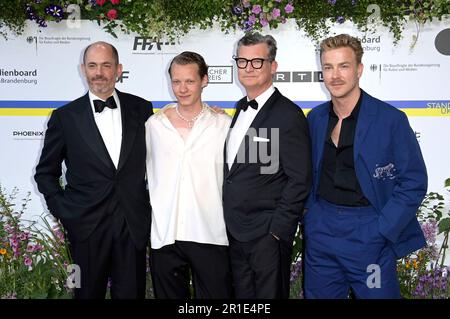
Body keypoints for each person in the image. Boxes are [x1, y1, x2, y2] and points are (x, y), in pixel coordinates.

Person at [304, 34, 428, 299]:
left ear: (359, 69)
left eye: (343, 66)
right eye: (328, 67)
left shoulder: (390, 120)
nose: (335, 75)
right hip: (321, 232)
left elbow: (413, 181)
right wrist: (310, 217)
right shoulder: (314, 119)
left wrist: (382, 229)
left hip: (368, 233)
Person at [34, 41, 153, 299]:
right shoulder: (65, 117)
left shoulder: (142, 109)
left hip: (130, 226)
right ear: (83, 69)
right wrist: (65, 210)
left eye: (106, 65)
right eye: (92, 65)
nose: (99, 72)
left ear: (119, 69)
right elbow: (45, 173)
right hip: (85, 229)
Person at [223, 32, 312, 299]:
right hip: (235, 233)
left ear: (273, 66)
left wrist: (277, 232)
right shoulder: (240, 108)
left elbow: (300, 179)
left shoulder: (288, 114)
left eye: (257, 61)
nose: (248, 68)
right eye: (242, 61)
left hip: (266, 236)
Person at [145, 51, 232, 299]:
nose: (182, 89)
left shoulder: (224, 125)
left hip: (211, 232)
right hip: (165, 234)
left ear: (204, 80)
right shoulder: (152, 126)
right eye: (176, 81)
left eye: (190, 81)